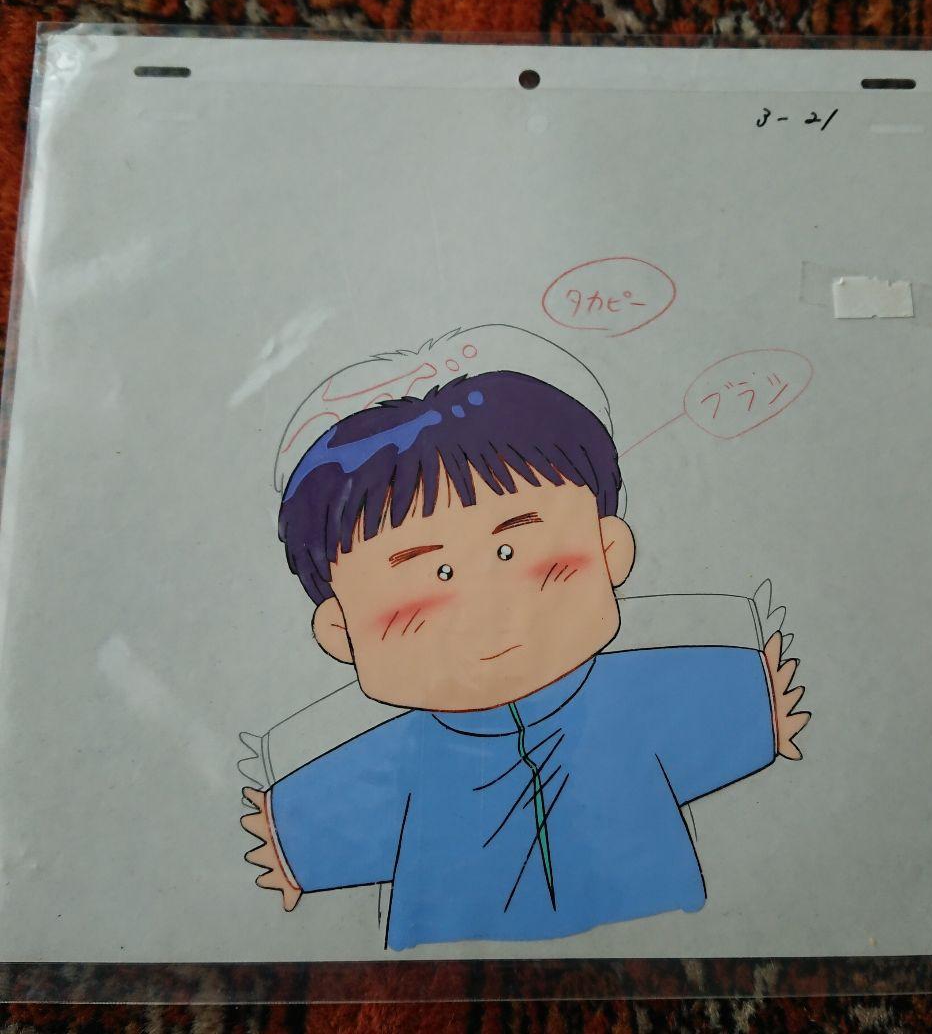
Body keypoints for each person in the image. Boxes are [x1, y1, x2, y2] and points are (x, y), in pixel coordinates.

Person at [241, 368, 809, 949]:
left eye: (508, 549)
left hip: (667, 948)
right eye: (437, 573)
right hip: (452, 974)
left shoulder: (645, 697)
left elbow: (758, 709)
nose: (486, 602)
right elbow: (293, 839)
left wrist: (760, 701)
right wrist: (289, 838)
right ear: (340, 631)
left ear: (609, 550)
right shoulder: (393, 762)